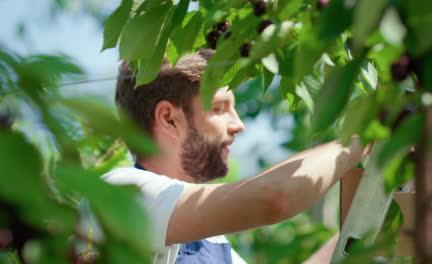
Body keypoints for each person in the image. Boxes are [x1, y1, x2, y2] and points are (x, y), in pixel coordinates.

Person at [104, 49, 371, 264]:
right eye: (220, 108)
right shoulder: (124, 192)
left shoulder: (211, 242)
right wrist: (360, 140)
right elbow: (274, 198)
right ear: (169, 119)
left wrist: (367, 215)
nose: (238, 124)